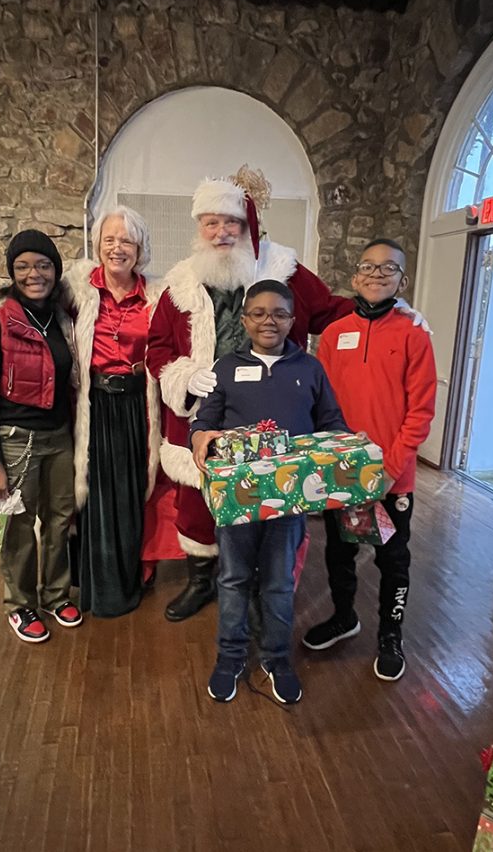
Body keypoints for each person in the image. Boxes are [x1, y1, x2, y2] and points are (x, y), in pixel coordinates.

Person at [147, 166, 432, 624]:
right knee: (198, 504)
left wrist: (392, 309)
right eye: (211, 223)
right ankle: (202, 580)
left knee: (272, 507)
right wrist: (181, 374)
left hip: (276, 417)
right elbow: (157, 346)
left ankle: (264, 587)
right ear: (199, 228)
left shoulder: (285, 271)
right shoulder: (179, 283)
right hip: (206, 415)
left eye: (231, 222)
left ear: (248, 224)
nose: (222, 232)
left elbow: (335, 312)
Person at [190, 279, 347, 703]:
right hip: (239, 498)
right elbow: (205, 419)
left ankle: (277, 658)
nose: (268, 321)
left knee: (278, 583)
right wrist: (200, 435)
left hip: (290, 498)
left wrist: (345, 455)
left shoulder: (309, 368)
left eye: (279, 313)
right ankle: (229, 657)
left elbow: (332, 422)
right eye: (258, 313)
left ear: (293, 320)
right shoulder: (225, 366)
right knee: (234, 578)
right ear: (244, 320)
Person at [302, 238, 437, 681]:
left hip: (392, 477)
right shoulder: (335, 335)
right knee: (339, 552)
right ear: (355, 277)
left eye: (389, 268)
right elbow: (322, 406)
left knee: (392, 558)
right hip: (343, 472)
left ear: (403, 278)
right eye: (369, 267)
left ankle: (390, 635)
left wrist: (389, 469)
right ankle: (345, 617)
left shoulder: (415, 335)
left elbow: (420, 412)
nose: (378, 274)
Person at [60, 206, 169, 618]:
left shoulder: (158, 296)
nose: (117, 248)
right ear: (98, 245)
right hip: (93, 404)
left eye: (126, 240)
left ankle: (127, 581)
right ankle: (91, 583)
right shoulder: (77, 290)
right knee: (91, 493)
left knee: (129, 492)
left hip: (137, 404)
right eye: (110, 239)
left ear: (139, 248)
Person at [0, 229, 81, 643]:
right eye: (23, 266)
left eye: (42, 265)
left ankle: (56, 594)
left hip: (59, 437)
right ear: (12, 273)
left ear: (55, 270)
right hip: (16, 439)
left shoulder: (62, 319)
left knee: (58, 522)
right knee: (17, 528)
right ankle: (19, 605)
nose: (33, 274)